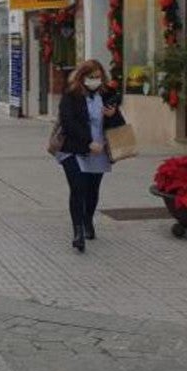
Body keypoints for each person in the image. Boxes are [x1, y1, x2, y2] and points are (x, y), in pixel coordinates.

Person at [56, 59, 124, 253]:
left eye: (98, 77)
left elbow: (119, 124)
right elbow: (68, 122)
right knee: (78, 188)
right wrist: (88, 142)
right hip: (74, 149)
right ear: (81, 77)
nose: (95, 80)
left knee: (92, 190)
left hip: (100, 151)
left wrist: (113, 115)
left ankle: (87, 221)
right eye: (91, 77)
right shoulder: (71, 95)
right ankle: (77, 232)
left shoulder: (107, 95)